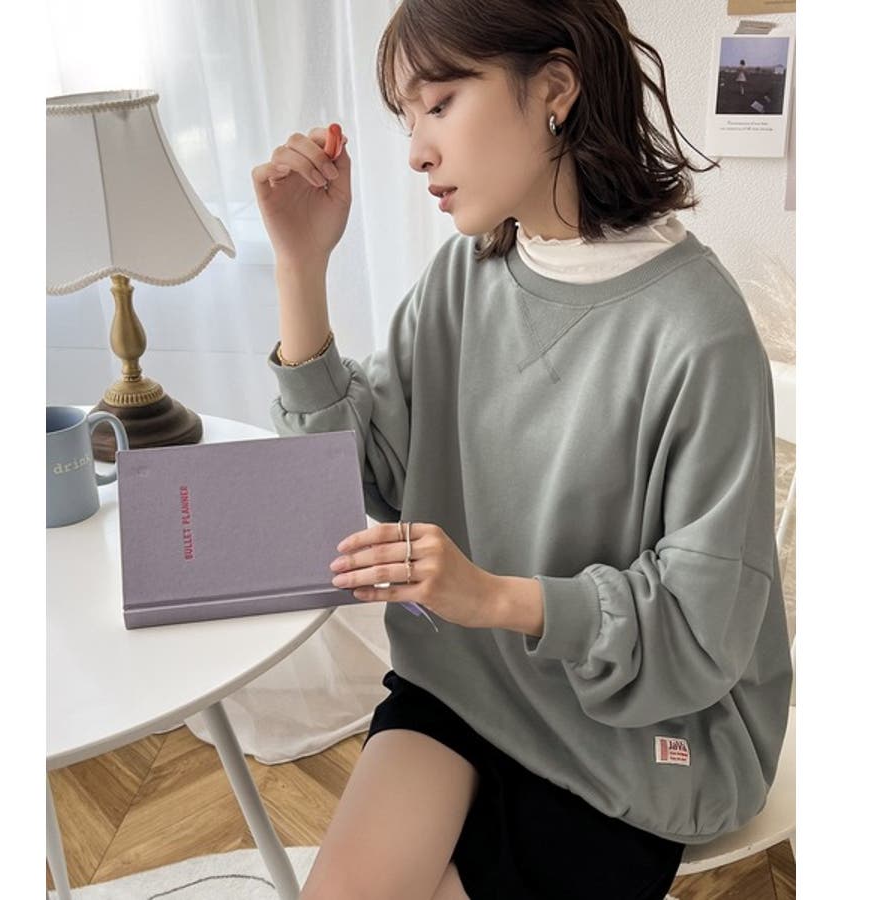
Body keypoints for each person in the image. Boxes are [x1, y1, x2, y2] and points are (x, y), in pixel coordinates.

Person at [251, 1, 793, 897]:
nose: (417, 151)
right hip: (465, 677)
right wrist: (300, 268)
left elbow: (701, 630)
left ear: (556, 87)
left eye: (440, 103)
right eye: (407, 117)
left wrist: (491, 597)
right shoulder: (462, 279)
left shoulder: (699, 332)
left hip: (641, 729)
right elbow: (365, 474)